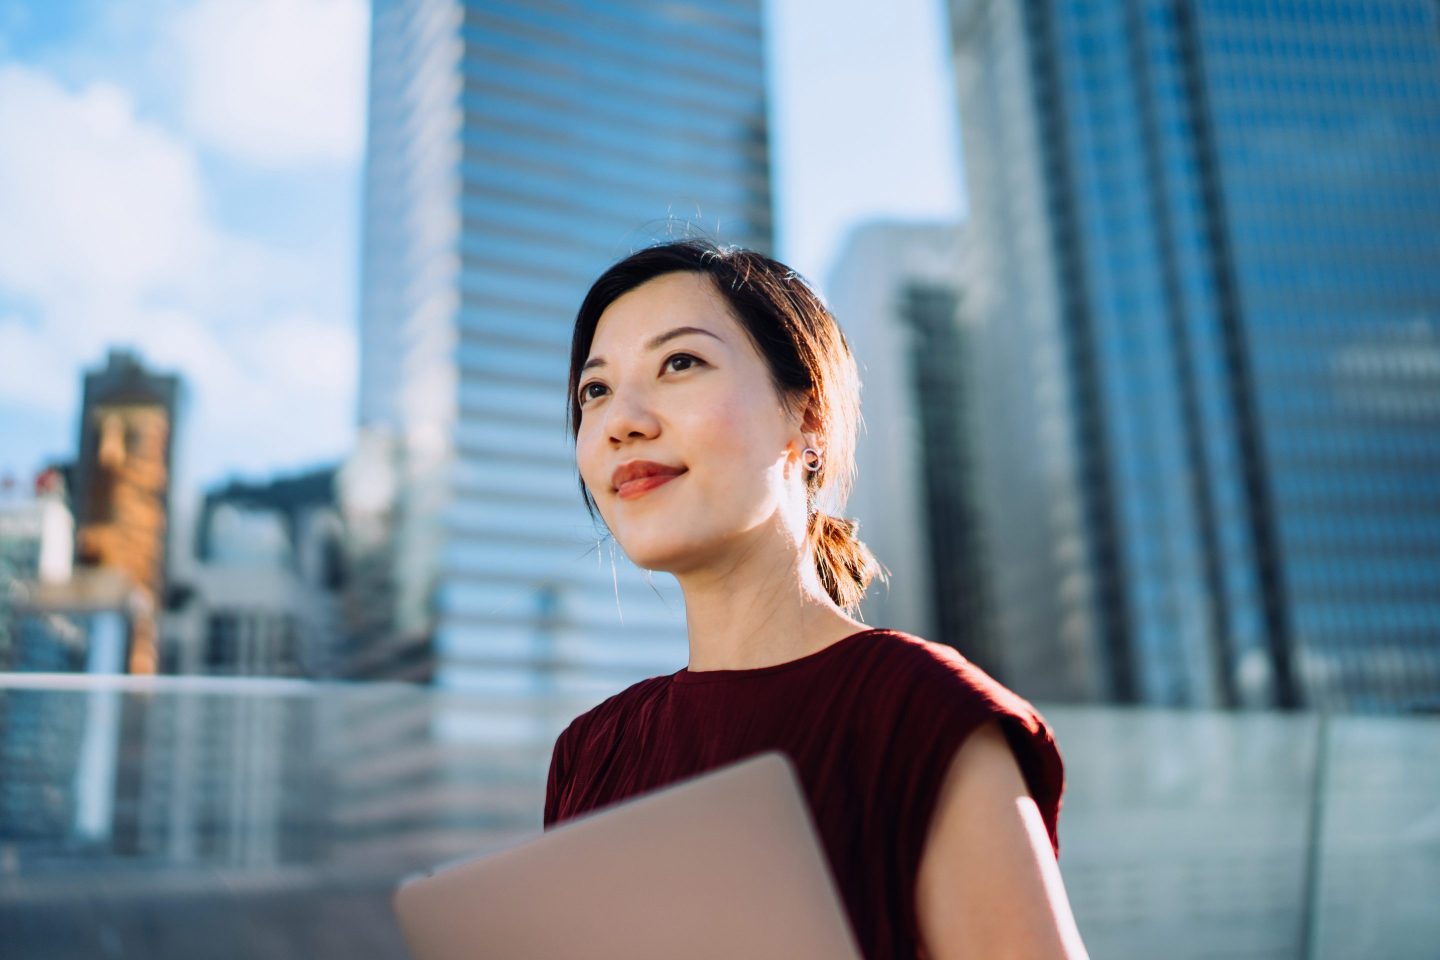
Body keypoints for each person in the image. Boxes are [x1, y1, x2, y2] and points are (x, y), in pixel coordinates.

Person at [545, 239, 1089, 960]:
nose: (621, 421)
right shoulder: (591, 753)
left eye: (680, 363)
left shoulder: (924, 712)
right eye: (595, 391)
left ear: (808, 418)